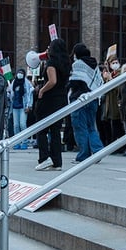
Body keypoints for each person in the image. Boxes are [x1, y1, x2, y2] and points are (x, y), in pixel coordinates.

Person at [35, 38, 70, 171]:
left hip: (49, 99)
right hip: (61, 99)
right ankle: (57, 162)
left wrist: (42, 90)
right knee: (55, 130)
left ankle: (44, 158)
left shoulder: (51, 63)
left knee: (41, 129)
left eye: (50, 47)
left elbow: (52, 81)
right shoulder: (66, 63)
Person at [67, 43, 104, 163]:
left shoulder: (77, 64)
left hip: (79, 99)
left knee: (80, 128)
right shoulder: (95, 65)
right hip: (92, 98)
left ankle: (84, 155)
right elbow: (99, 81)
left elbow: (74, 82)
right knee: (91, 127)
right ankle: (98, 151)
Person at [7, 68, 34, 149]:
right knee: (16, 125)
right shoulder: (14, 83)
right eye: (18, 73)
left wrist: (29, 105)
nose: (20, 74)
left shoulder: (27, 83)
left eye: (21, 73)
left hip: (23, 107)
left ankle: (24, 141)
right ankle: (17, 142)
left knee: (22, 124)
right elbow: (10, 93)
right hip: (15, 107)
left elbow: (30, 95)